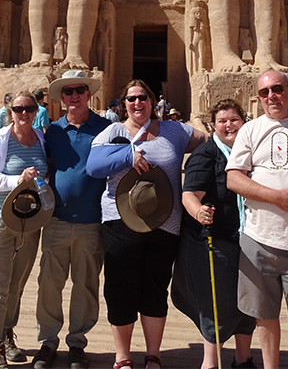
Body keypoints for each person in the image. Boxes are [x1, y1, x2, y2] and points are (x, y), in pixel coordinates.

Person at [88, 80, 208, 369]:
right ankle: (122, 357)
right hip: (121, 220)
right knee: (121, 287)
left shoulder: (174, 131)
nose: (137, 103)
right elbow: (93, 166)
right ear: (123, 104)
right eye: (131, 99)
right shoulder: (114, 131)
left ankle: (153, 354)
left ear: (153, 101)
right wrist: (128, 155)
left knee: (156, 286)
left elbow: (207, 141)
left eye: (142, 97)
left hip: (164, 220)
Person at [226, 70, 288, 369]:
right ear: (258, 98)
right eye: (264, 92)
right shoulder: (251, 130)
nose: (272, 97)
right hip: (259, 237)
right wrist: (276, 197)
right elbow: (234, 179)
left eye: (277, 89)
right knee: (264, 316)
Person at [32, 70, 111, 369]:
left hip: (92, 220)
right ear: (61, 98)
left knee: (86, 285)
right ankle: (48, 341)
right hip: (57, 218)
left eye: (79, 89)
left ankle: (77, 342)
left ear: (88, 94)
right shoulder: (53, 132)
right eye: (68, 91)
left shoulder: (105, 129)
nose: (74, 95)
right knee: (49, 283)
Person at [172, 99, 256, 369]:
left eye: (234, 119)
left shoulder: (251, 152)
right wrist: (199, 213)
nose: (228, 125)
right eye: (222, 121)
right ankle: (210, 363)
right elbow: (189, 195)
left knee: (248, 300)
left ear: (244, 121)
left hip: (248, 237)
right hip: (215, 239)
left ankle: (243, 359)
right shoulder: (207, 154)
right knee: (218, 302)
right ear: (213, 126)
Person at [0, 91, 48, 369]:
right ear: (10, 111)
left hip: (30, 220)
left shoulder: (41, 139)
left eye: (29, 108)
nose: (24, 113)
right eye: (19, 108)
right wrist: (17, 179)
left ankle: (7, 333)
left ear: (36, 109)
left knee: (16, 284)